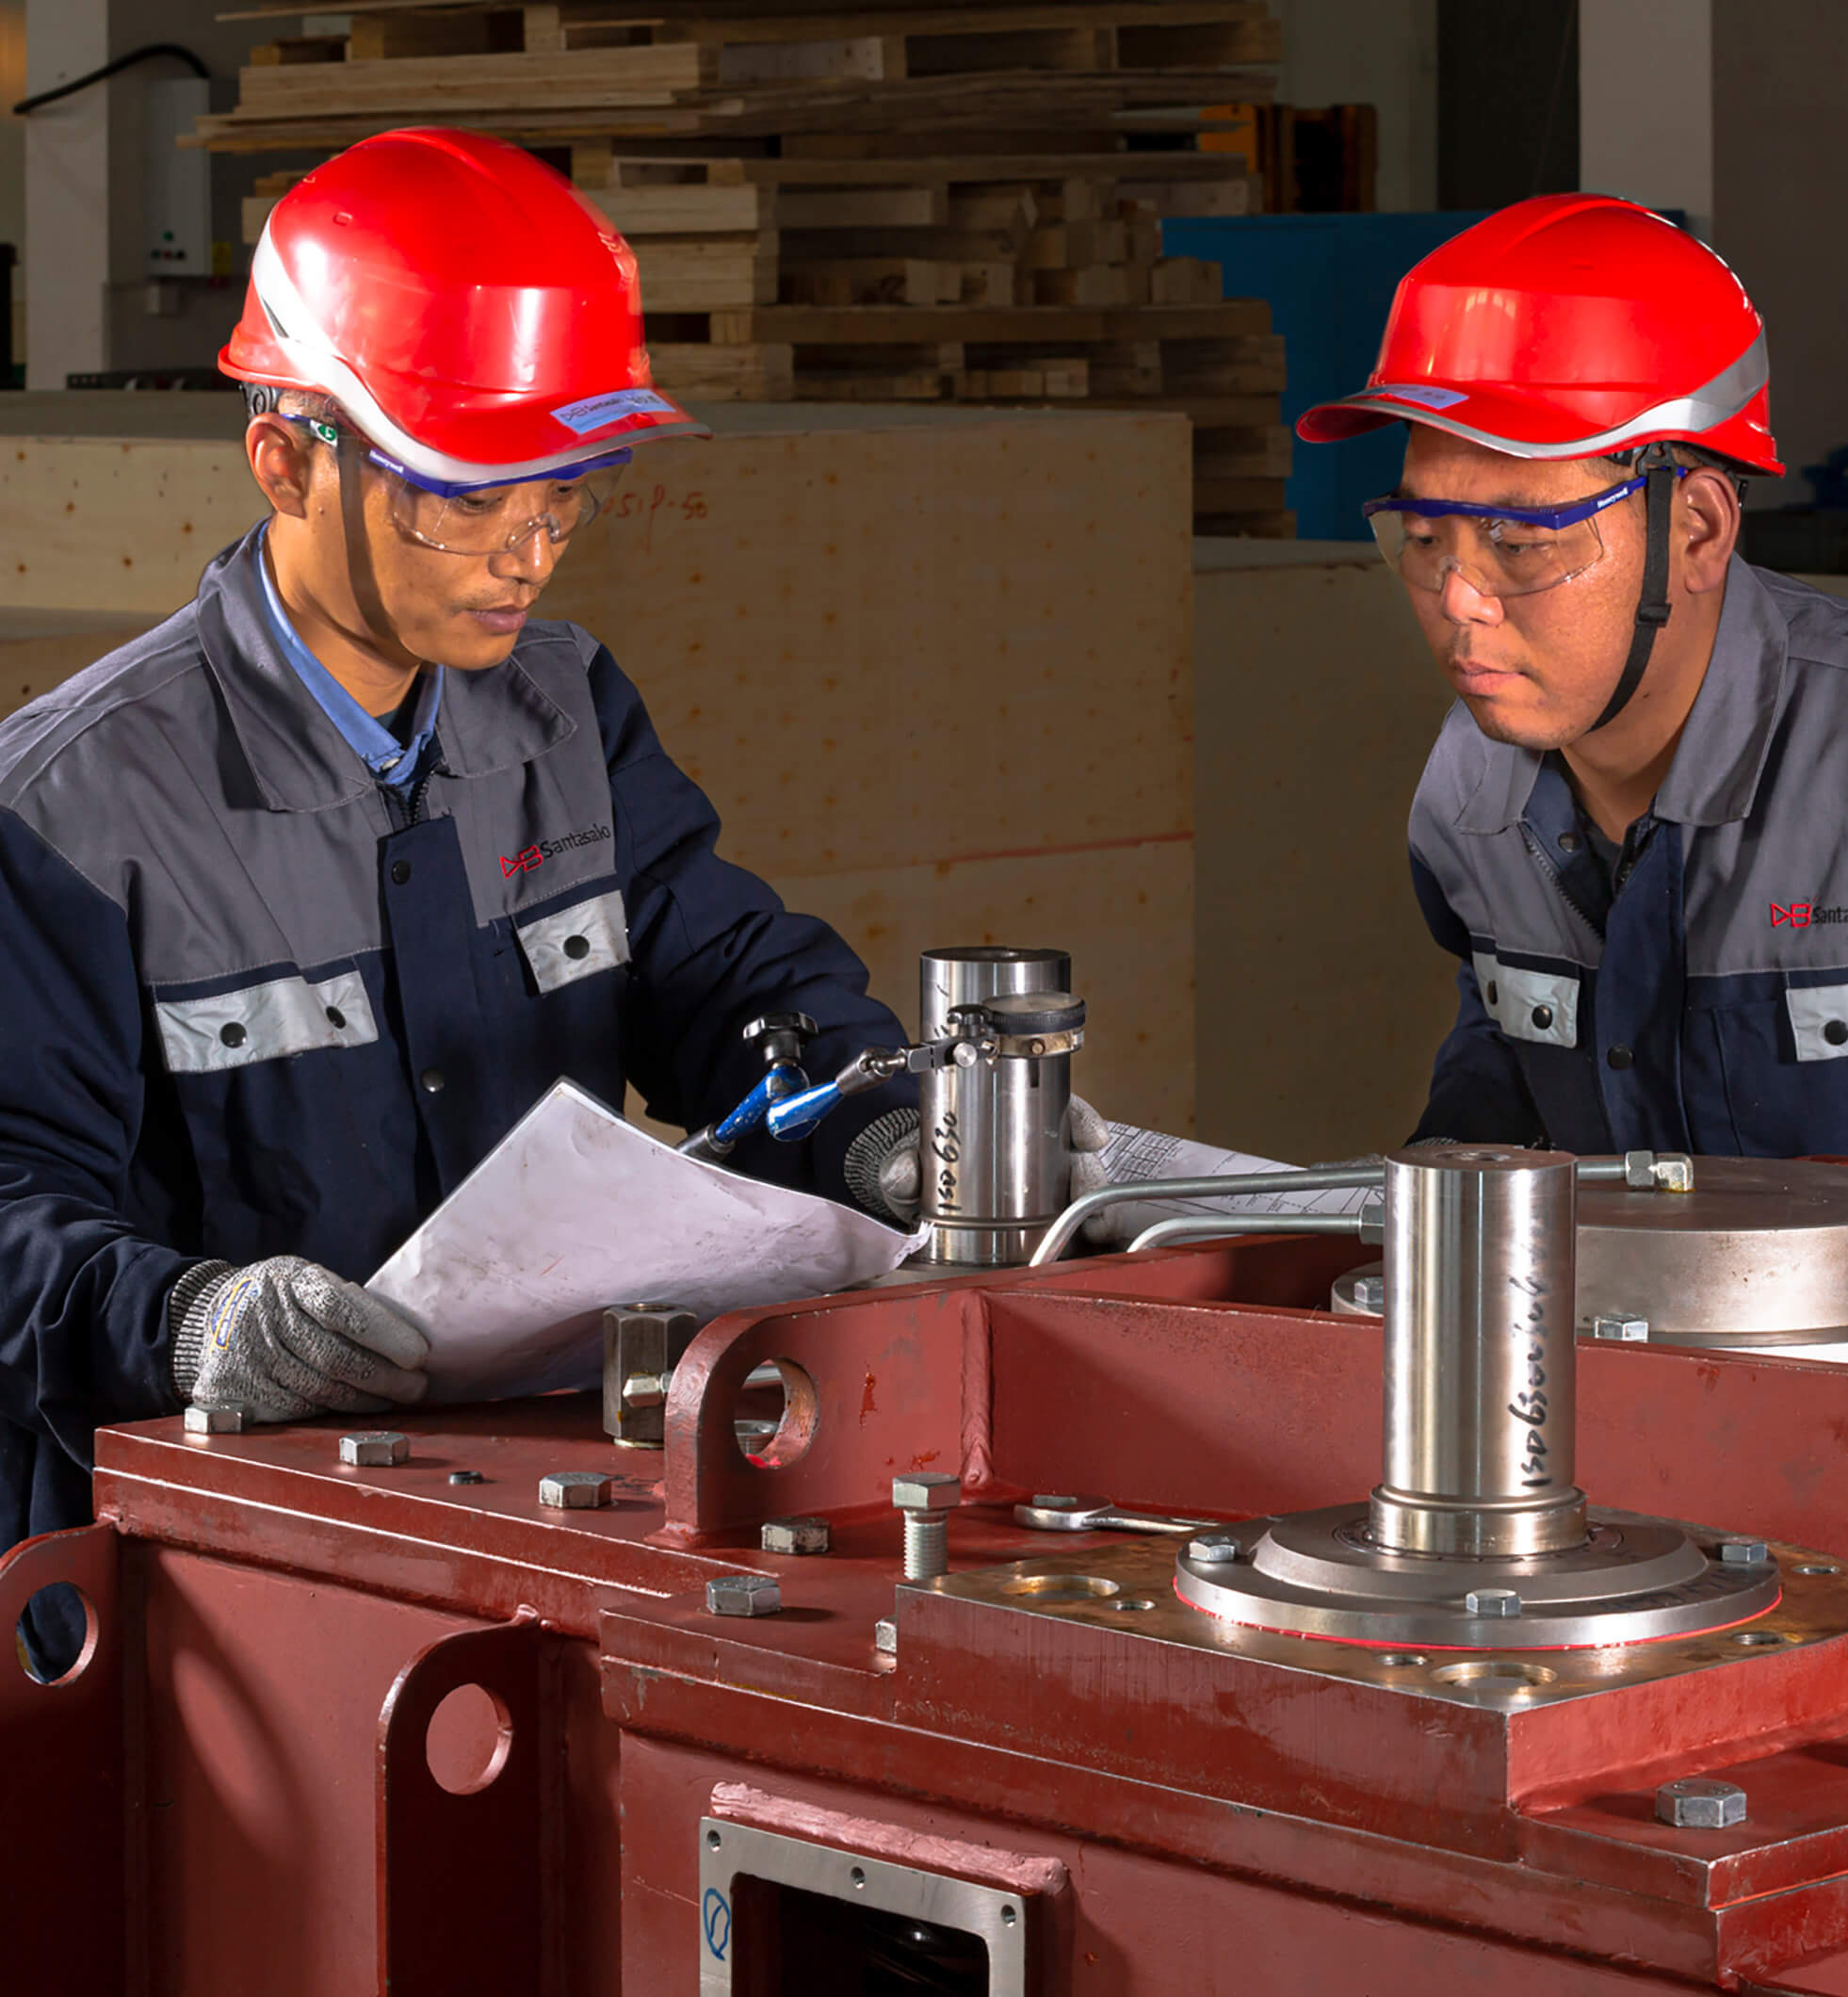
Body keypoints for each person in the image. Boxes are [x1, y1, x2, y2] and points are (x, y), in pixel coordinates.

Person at [0, 130, 1101, 1673]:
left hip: (527, 1515)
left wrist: (872, 1124)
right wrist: (188, 1319)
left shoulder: (563, 714)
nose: (527, 552)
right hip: (202, 1580)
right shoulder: (74, 807)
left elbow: (722, 979)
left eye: (563, 494)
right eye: (465, 499)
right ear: (287, 459)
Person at [1297, 193, 1848, 1226]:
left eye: (1518, 542)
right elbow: (1509, 1062)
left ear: (1697, 531)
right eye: (1424, 536)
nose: (1457, 597)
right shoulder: (1469, 788)